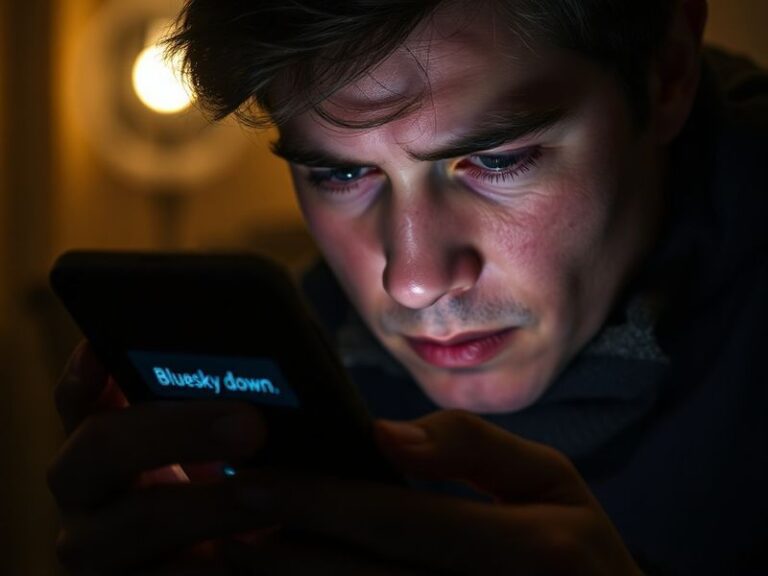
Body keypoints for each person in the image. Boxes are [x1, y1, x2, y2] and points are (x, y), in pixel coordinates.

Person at [48, 0, 768, 574]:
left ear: (668, 71)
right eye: (341, 175)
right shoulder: (304, 373)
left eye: (498, 157)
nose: (415, 282)